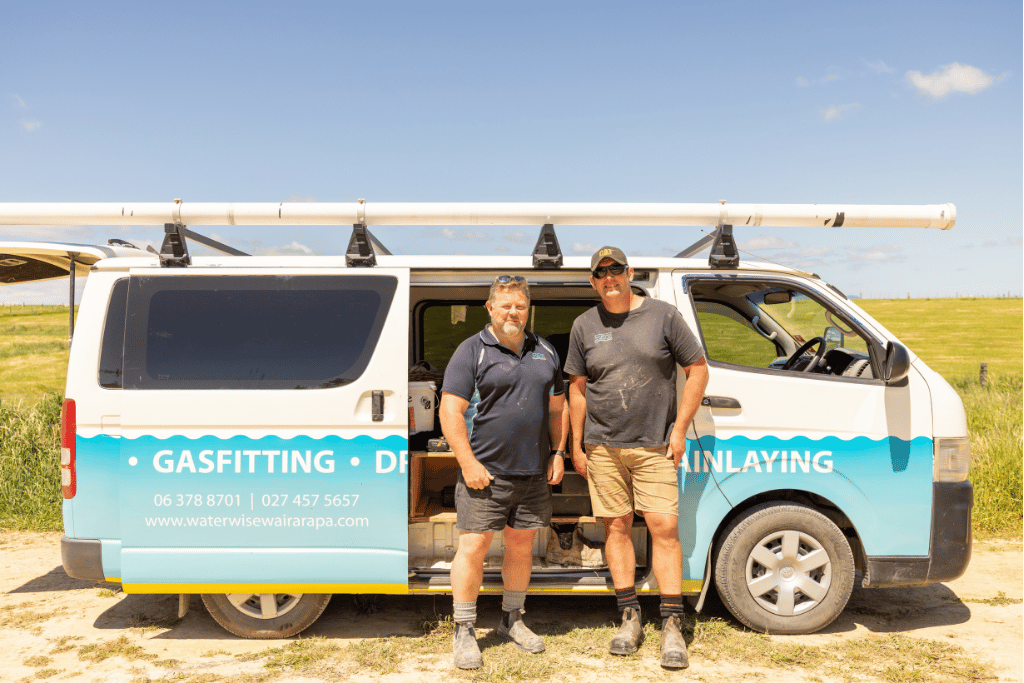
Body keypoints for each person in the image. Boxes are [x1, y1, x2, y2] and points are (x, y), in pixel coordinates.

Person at [563, 246, 708, 669]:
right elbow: (577, 387)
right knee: (617, 527)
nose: (609, 278)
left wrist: (679, 429)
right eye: (600, 273)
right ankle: (629, 616)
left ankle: (672, 624)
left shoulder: (663, 316)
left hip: (654, 445)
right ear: (592, 281)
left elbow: (697, 368)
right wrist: (577, 443)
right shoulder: (584, 325)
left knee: (663, 526)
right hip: (603, 446)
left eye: (615, 270)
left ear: (629, 273)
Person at [439, 275, 567, 670]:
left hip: (532, 473)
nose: (514, 312)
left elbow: (558, 409)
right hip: (484, 474)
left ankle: (512, 619)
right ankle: (464, 629)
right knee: (473, 547)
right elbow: (450, 411)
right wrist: (468, 462)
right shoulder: (471, 351)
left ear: (528, 310)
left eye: (521, 306)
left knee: (521, 546)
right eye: (506, 305)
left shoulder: (545, 350)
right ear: (490, 308)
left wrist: (558, 452)